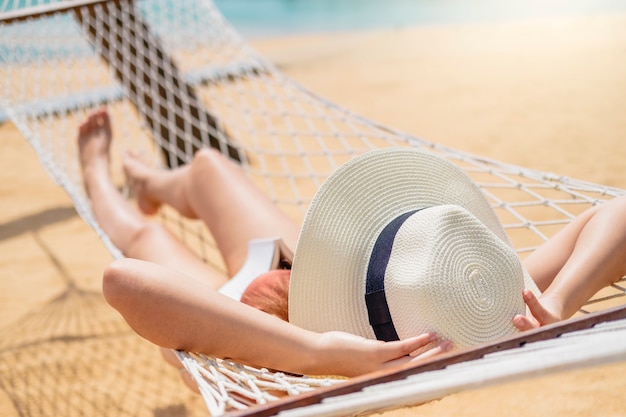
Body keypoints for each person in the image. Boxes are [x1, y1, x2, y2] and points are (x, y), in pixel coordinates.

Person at [78, 108, 626, 379]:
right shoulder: (475, 299)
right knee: (208, 167)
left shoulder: (285, 373)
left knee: (143, 236)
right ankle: (153, 184)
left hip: (234, 310)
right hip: (327, 270)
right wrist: (558, 306)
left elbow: (124, 281)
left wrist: (318, 352)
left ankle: (99, 180)